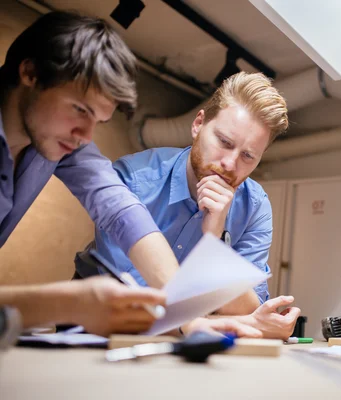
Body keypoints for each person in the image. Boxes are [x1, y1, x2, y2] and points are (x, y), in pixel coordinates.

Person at [0, 11, 251, 338]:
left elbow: (123, 213)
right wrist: (69, 303)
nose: (86, 136)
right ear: (30, 72)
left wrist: (185, 317)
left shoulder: (62, 140)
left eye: (98, 121)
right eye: (80, 109)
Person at [83, 72, 300, 339]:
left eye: (247, 155)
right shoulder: (133, 180)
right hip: (100, 335)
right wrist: (230, 319)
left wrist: (213, 238)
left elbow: (249, 306)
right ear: (198, 124)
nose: (230, 164)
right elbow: (134, 303)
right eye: (224, 142)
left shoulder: (255, 206)